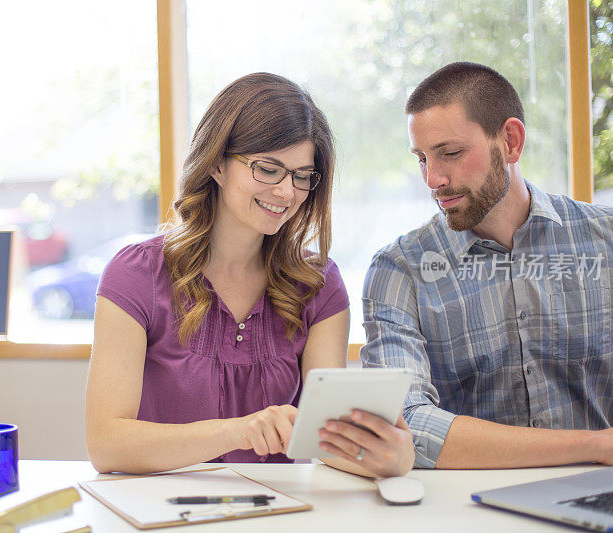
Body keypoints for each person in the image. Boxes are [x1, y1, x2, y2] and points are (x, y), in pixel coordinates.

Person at [86, 72, 414, 476]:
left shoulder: (318, 285)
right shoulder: (135, 275)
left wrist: (390, 458)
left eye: (301, 176)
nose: (287, 193)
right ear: (218, 165)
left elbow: (328, 442)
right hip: (162, 511)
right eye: (268, 168)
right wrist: (237, 432)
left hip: (278, 511)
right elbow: (107, 445)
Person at [326, 62, 613, 469]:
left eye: (450, 153)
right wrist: (599, 445)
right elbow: (407, 425)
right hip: (465, 512)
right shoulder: (398, 271)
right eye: (421, 159)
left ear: (510, 141)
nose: (432, 179)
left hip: (598, 501)